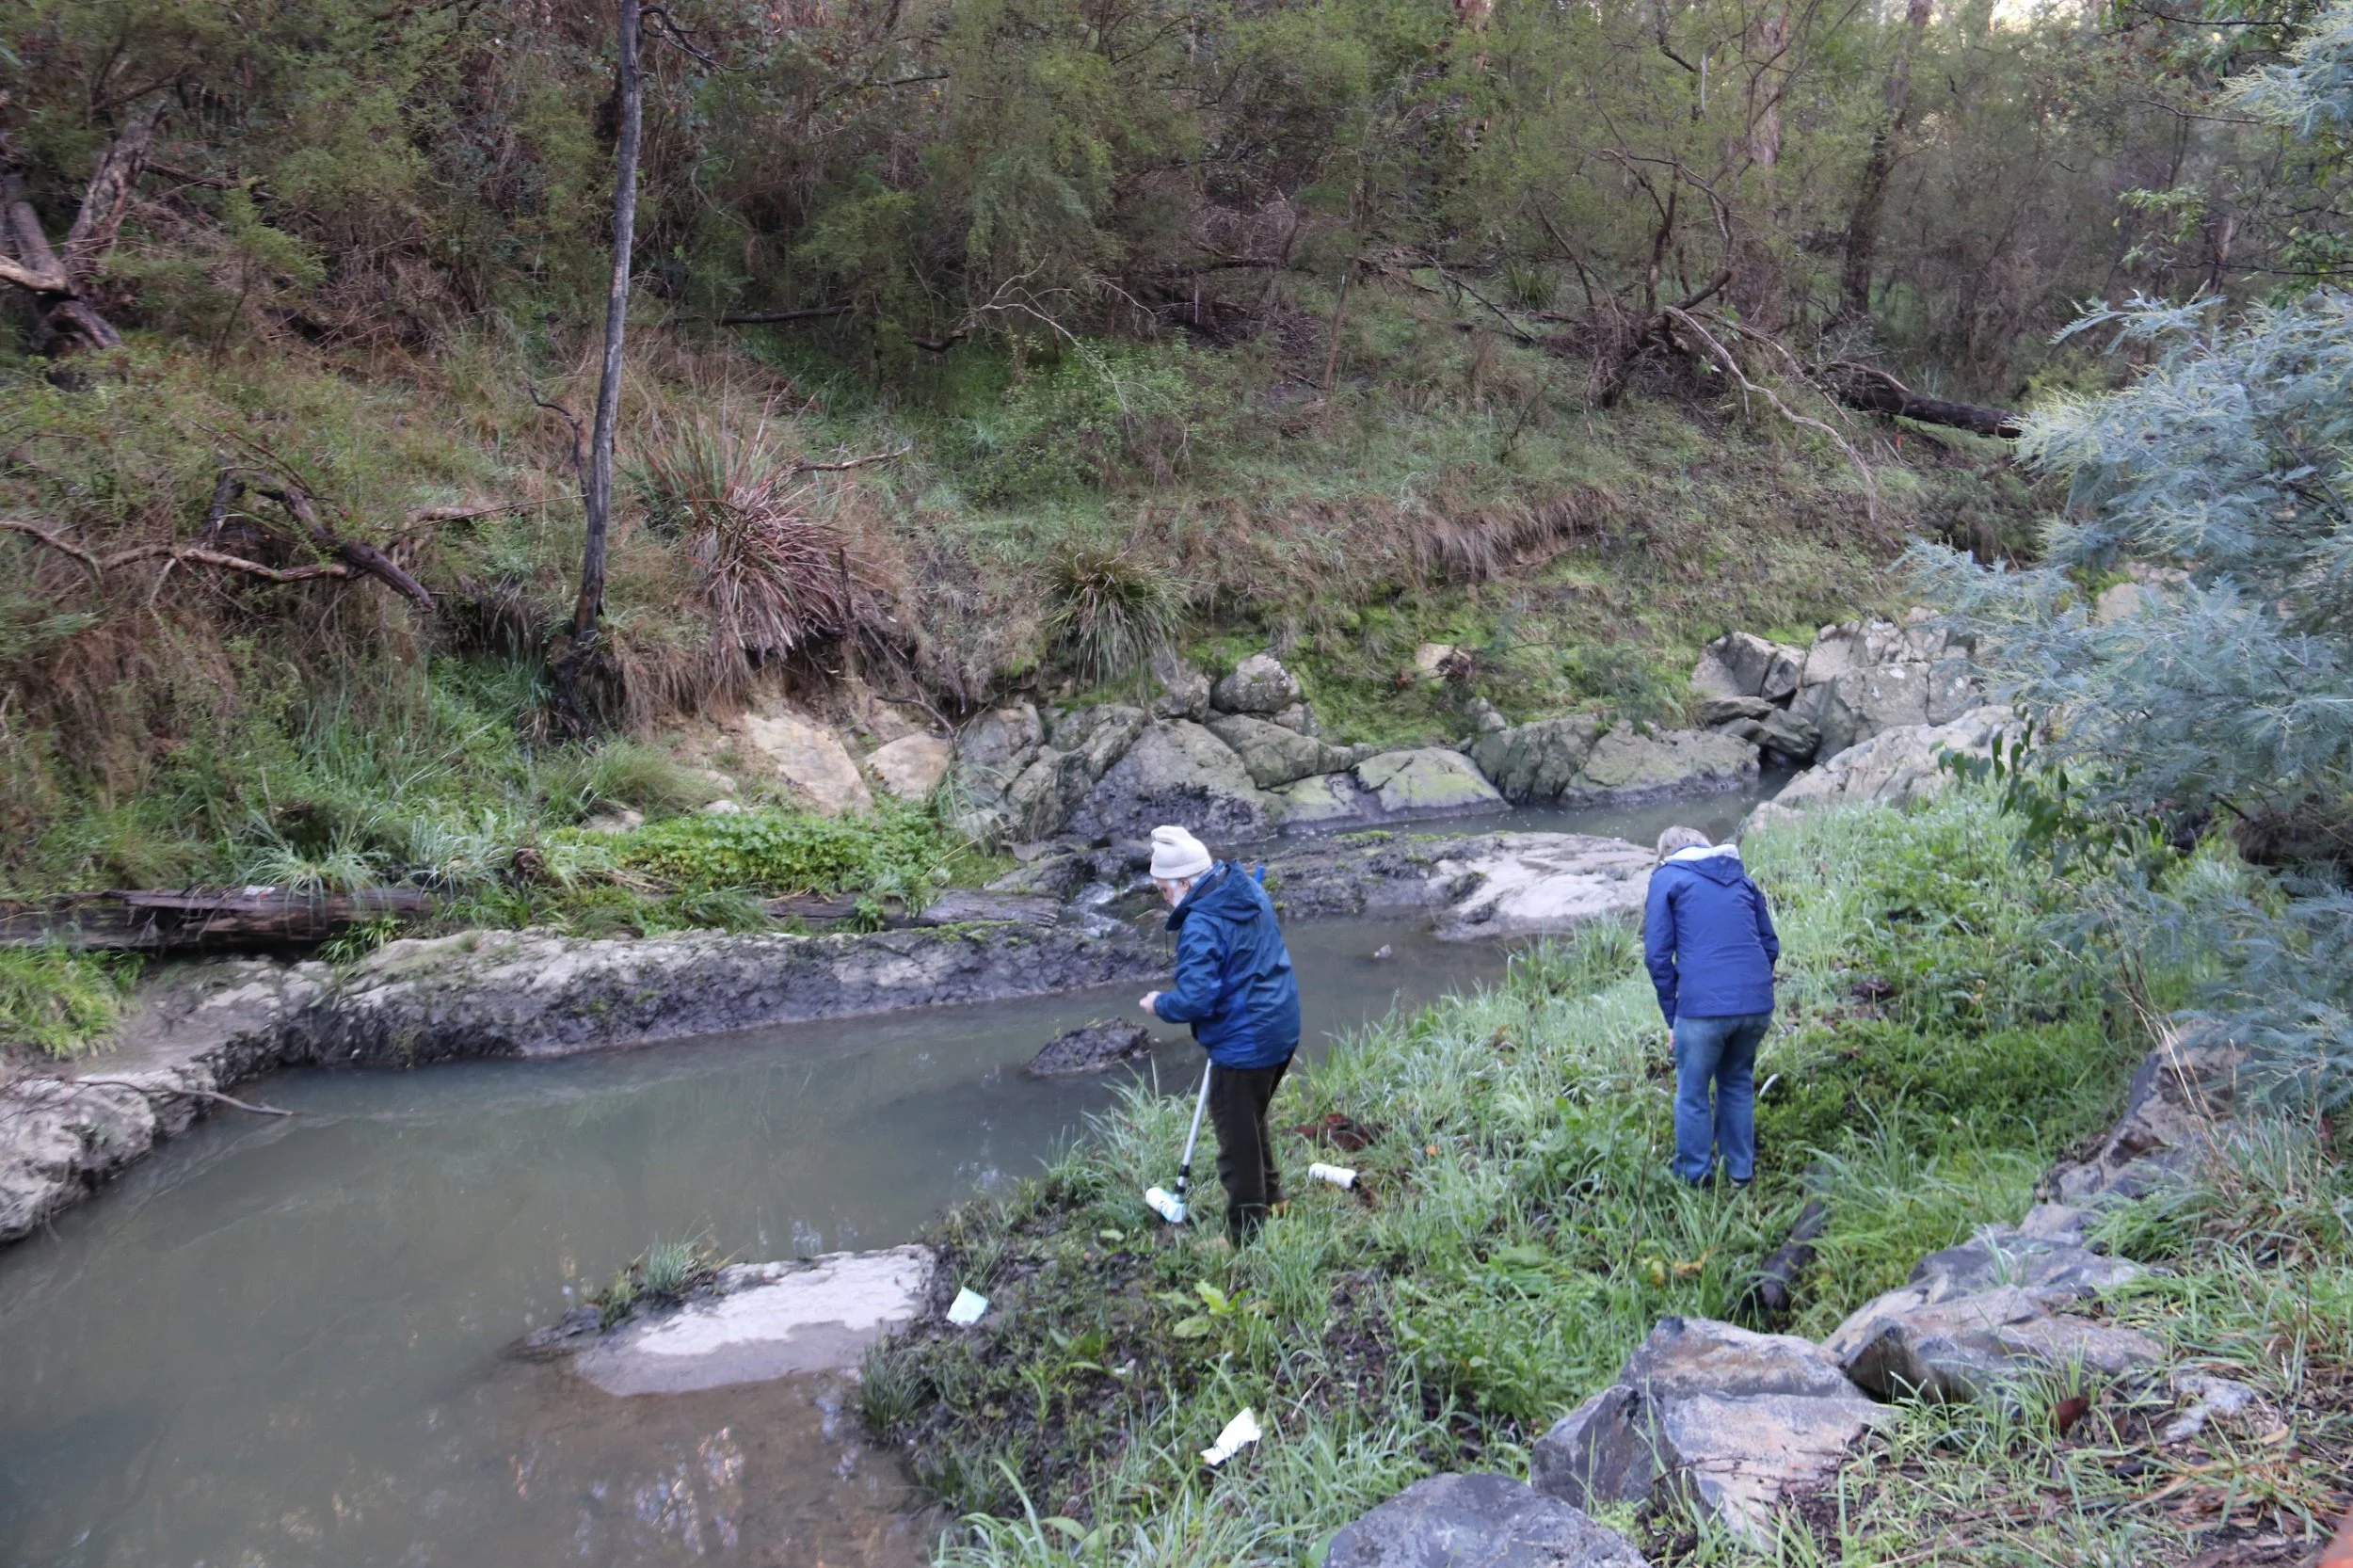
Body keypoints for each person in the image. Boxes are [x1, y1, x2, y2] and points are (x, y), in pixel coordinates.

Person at [1137, 824, 1302, 1242]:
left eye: (1163, 891)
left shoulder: (1202, 926)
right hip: (1282, 1027)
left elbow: (1196, 1000)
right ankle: (1274, 1199)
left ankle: (1244, 1239)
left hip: (1246, 1044)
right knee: (1252, 1120)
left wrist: (1159, 1004)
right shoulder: (1246, 890)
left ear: (1187, 883)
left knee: (1235, 1145)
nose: (1165, 900)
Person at [1643, 824, 1780, 1188]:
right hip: (1757, 1003)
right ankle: (1740, 1175)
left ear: (1665, 852)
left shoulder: (1667, 877)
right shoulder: (1740, 878)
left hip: (1702, 1008)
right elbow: (1770, 944)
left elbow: (1657, 956)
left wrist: (1674, 1017)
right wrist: (1749, 987)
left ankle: (1695, 1180)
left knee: (1692, 1093)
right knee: (1736, 1082)